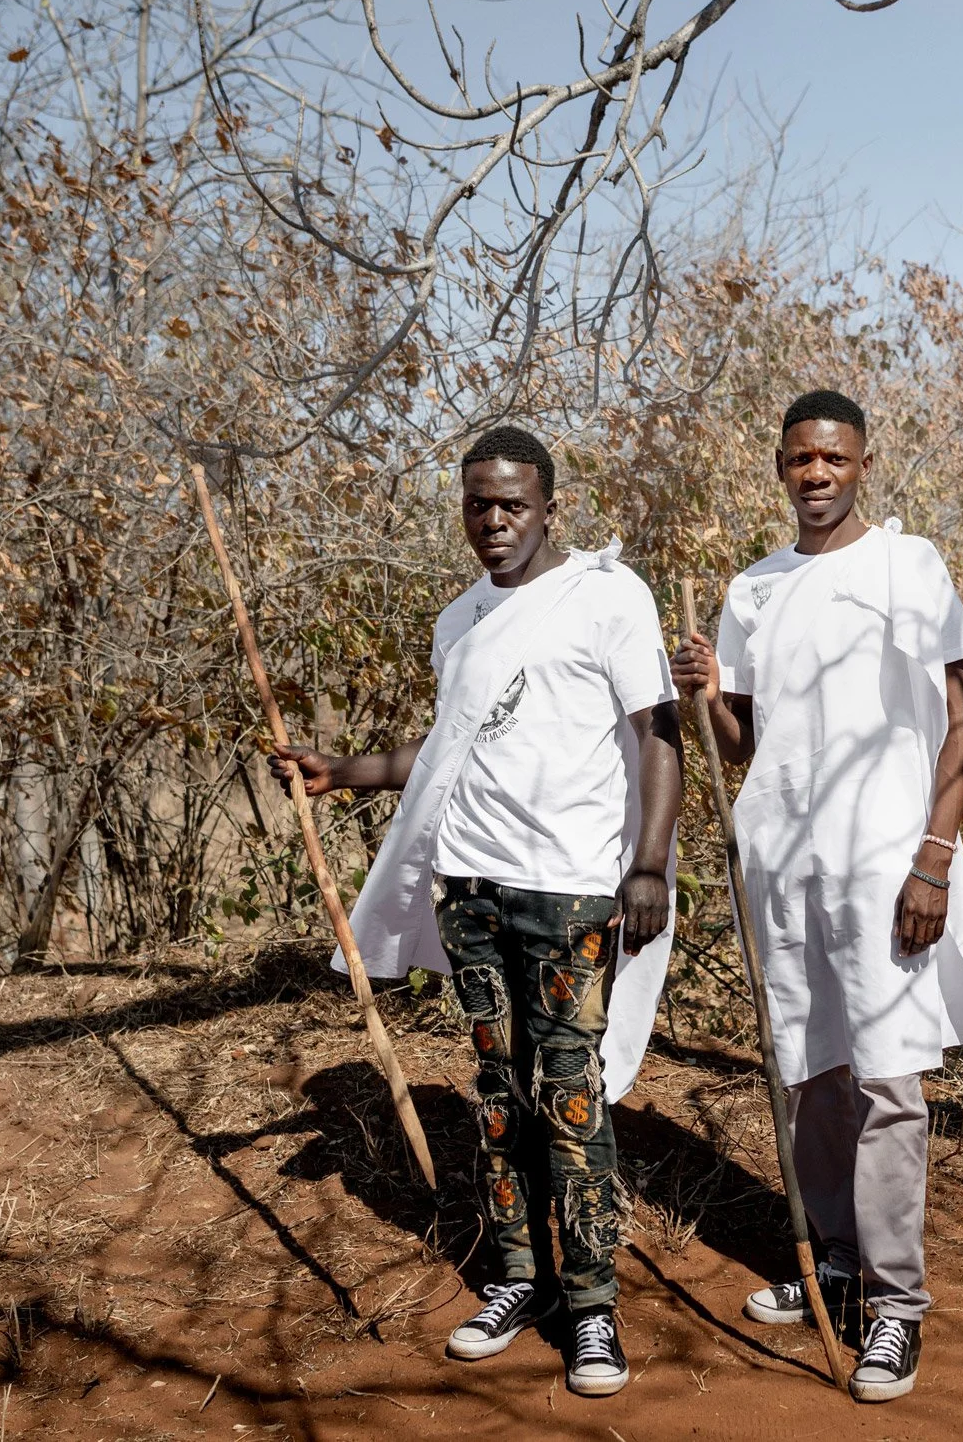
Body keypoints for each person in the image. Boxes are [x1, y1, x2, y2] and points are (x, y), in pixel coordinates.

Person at [271, 425, 682, 1398]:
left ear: (548, 507)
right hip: (472, 887)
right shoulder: (460, 620)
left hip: (573, 886)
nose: (493, 521)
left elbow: (657, 731)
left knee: (570, 1094)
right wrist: (348, 771)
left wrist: (649, 864)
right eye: (477, 505)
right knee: (499, 1091)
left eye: (512, 505)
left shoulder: (607, 595)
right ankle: (516, 1279)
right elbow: (450, 748)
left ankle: (591, 1307)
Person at [669, 388, 963, 1404]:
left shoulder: (908, 564)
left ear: (861, 464)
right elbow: (745, 746)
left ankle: (897, 1307)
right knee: (811, 1071)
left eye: (834, 458)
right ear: (780, 467)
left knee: (889, 1082)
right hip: (784, 865)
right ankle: (840, 1260)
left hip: (886, 864)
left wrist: (933, 858)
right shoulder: (755, 588)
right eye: (799, 460)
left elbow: (959, 723)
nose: (816, 474)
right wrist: (705, 693)